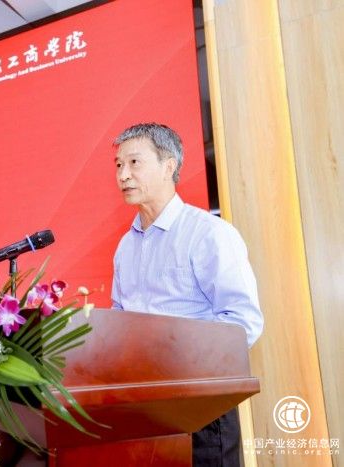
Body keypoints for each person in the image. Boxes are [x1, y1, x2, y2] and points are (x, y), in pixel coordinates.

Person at [110, 123, 264, 466]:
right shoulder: (125, 247)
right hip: (143, 408)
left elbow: (243, 322)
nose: (123, 175)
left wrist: (179, 362)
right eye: (119, 165)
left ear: (169, 166)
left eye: (134, 163)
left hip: (200, 406)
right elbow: (119, 322)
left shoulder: (208, 233)